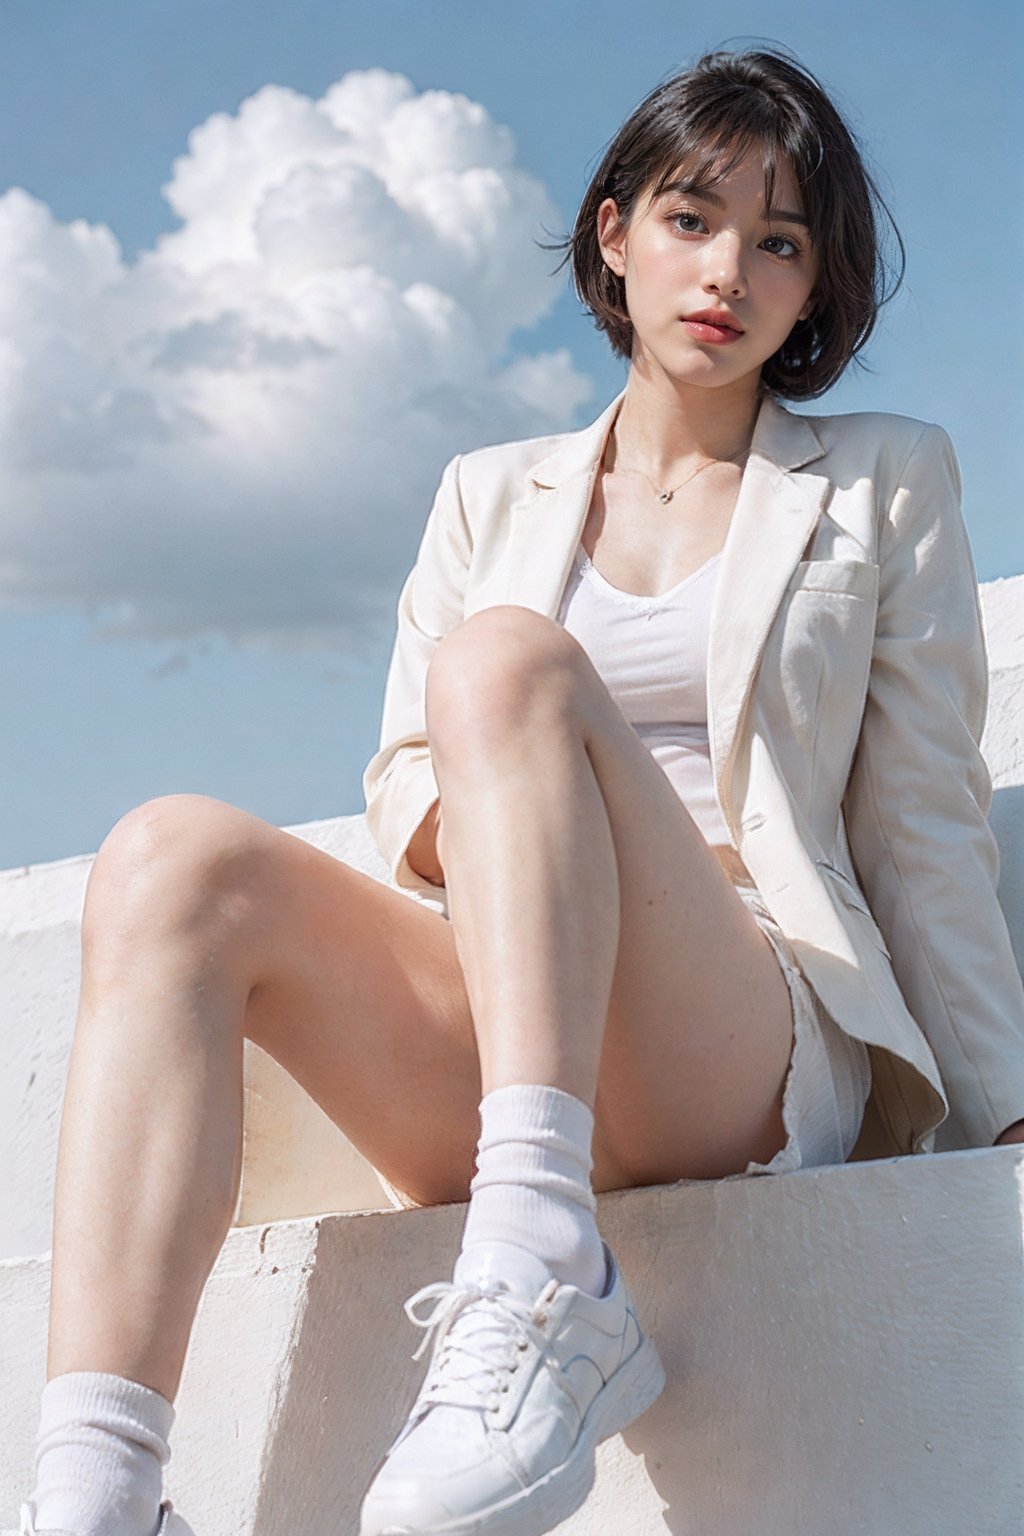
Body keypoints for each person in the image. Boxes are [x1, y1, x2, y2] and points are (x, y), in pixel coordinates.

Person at [12, 42, 1024, 1536]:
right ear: (613, 233)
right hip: (508, 1008)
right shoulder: (489, 493)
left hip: (737, 1015)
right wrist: (527, 793)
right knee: (168, 856)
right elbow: (404, 790)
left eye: (781, 241)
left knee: (502, 662)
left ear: (818, 291)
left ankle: (545, 1278)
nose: (727, 268)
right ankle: (95, 1495)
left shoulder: (881, 479)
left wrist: (1000, 1115)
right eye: (690, 218)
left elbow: (924, 817)